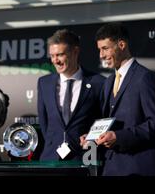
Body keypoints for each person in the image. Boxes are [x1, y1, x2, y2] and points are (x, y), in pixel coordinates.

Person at [88, 22, 155, 175]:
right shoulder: (108, 81)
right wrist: (93, 136)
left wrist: (119, 136)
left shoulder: (145, 78)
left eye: (105, 48)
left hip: (139, 167)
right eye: (99, 50)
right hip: (111, 168)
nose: (101, 55)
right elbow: (107, 121)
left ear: (121, 44)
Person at [37, 29, 105, 161]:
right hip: (51, 160)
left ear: (75, 52)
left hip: (84, 158)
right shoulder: (44, 83)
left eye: (60, 55)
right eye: (52, 56)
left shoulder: (98, 82)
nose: (55, 60)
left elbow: (103, 119)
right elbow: (44, 123)